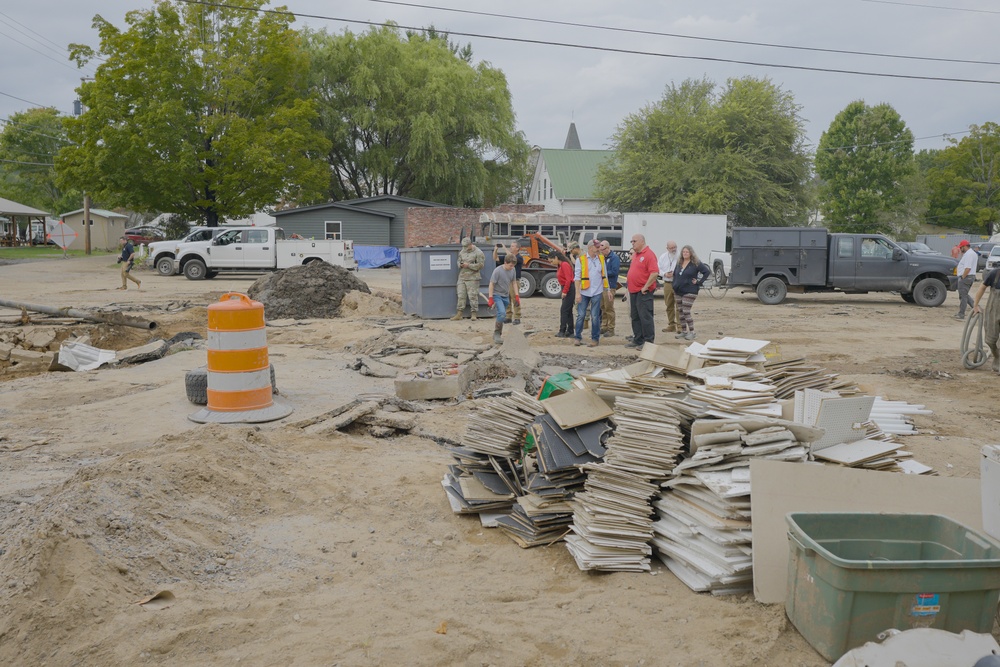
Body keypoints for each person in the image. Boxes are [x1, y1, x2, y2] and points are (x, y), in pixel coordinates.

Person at [624, 234, 659, 350]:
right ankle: (638, 339)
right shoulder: (636, 255)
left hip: (643, 291)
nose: (632, 243)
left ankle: (648, 341)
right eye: (631, 241)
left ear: (642, 241)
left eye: (634, 241)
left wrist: (646, 286)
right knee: (635, 316)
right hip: (633, 290)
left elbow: (654, 273)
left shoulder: (649, 255)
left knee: (645, 316)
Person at [574, 240, 610, 347]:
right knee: (581, 315)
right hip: (584, 291)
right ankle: (577, 337)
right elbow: (577, 278)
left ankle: (595, 339)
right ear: (590, 248)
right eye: (597, 247)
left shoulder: (601, 259)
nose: (599, 249)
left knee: (595, 316)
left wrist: (607, 290)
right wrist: (577, 293)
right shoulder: (581, 260)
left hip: (597, 292)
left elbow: (605, 275)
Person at [672, 245, 711, 340]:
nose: (685, 253)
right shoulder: (679, 263)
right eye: (683, 252)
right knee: (680, 311)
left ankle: (692, 332)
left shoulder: (695, 263)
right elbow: (675, 274)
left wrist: (699, 282)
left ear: (691, 253)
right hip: (678, 290)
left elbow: (706, 272)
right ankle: (684, 332)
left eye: (687, 252)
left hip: (690, 290)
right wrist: (674, 284)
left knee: (686, 311)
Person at [973, 265, 1000, 374]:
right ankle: (997, 356)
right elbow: (982, 287)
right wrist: (975, 305)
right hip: (993, 311)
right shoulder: (995, 274)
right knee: (990, 340)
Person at [451, 237, 485, 321]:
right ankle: (459, 314)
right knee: (460, 295)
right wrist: (461, 264)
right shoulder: (462, 251)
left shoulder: (478, 252)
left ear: (470, 244)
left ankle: (474, 314)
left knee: (473, 296)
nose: (465, 248)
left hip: (473, 277)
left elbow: (481, 265)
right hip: (462, 276)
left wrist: (469, 265)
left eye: (466, 246)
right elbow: (458, 260)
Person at [487, 253, 518, 344]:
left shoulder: (513, 270)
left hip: (505, 295)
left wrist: (517, 296)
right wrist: (490, 298)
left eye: (513, 266)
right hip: (497, 295)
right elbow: (491, 284)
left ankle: (497, 333)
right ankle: (497, 334)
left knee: (501, 315)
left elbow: (514, 282)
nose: (512, 267)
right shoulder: (497, 271)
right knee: (502, 313)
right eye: (510, 265)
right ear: (505, 262)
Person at [493, 241, 523, 325]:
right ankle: (508, 316)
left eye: (513, 246)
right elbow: (496, 258)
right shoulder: (507, 257)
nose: (511, 247)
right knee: (507, 299)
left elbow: (511, 257)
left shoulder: (519, 257)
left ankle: (517, 317)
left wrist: (504, 247)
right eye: (511, 246)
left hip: (514, 281)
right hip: (506, 281)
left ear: (517, 248)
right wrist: (495, 250)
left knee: (515, 299)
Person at [556, 246, 579, 337]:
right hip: (567, 288)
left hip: (568, 288)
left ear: (556, 258)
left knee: (564, 310)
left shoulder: (564, 265)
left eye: (551, 260)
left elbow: (568, 279)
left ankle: (562, 330)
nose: (551, 263)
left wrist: (565, 291)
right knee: (568, 310)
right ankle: (570, 331)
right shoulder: (561, 265)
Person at [599, 240, 621, 337]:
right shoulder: (602, 257)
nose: (601, 252)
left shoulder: (614, 258)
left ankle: (611, 328)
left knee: (609, 308)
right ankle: (604, 326)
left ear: (607, 248)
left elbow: (614, 272)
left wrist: (603, 273)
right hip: (602, 286)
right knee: (603, 307)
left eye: (602, 250)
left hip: (610, 286)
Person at [658, 241, 679, 333]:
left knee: (679, 306)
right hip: (667, 283)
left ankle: (680, 326)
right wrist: (665, 274)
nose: (673, 249)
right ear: (667, 248)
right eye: (671, 248)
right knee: (669, 304)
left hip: (678, 283)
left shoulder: (680, 257)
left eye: (675, 247)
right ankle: (671, 324)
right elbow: (658, 268)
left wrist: (674, 274)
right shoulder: (663, 257)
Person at [955, 239, 978, 320]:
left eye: (961, 247)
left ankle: (961, 314)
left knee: (963, 296)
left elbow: (968, 268)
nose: (960, 249)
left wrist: (962, 277)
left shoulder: (969, 254)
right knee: (965, 295)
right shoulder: (971, 253)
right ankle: (976, 309)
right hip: (969, 277)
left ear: (964, 246)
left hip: (966, 277)